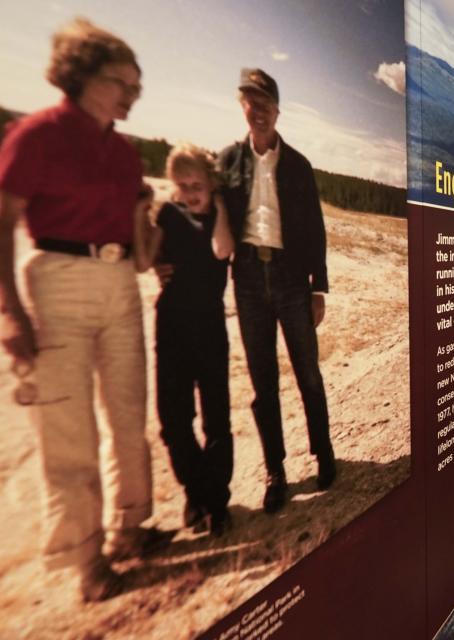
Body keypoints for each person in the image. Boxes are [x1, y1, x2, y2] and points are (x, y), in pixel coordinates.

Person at [0, 19, 171, 602]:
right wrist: (10, 312)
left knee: (127, 413)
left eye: (138, 86)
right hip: (57, 283)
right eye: (122, 82)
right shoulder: (36, 135)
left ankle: (130, 528)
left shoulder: (124, 152)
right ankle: (87, 564)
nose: (132, 95)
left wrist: (146, 218)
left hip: (119, 285)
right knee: (68, 428)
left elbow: (139, 251)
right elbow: (1, 223)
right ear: (81, 74)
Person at [217, 68, 335, 514]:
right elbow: (211, 216)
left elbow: (315, 231)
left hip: (290, 281)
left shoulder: (299, 166)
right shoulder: (227, 160)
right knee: (262, 383)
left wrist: (318, 288)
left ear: (278, 110)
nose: (258, 110)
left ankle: (324, 453)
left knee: (308, 374)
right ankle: (275, 471)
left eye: (265, 102)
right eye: (250, 101)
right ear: (242, 107)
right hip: (247, 281)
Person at [134, 144, 234, 536]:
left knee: (217, 418)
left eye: (197, 185)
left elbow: (222, 249)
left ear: (211, 182)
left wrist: (220, 206)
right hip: (171, 324)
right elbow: (144, 261)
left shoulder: (221, 217)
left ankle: (217, 502)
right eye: (182, 185)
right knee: (173, 419)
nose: (190, 193)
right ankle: (197, 492)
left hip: (210, 325)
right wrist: (139, 210)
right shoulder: (169, 214)